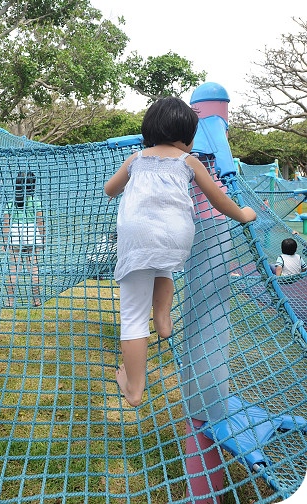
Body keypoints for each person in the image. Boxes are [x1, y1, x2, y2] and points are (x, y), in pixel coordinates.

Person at [104, 96, 257, 407]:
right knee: (164, 266)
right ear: (187, 136)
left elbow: (110, 189)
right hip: (176, 236)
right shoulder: (189, 161)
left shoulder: (135, 159)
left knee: (132, 316)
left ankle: (133, 389)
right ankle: (163, 321)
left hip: (137, 237)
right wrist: (243, 214)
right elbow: (218, 198)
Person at [3, 171, 44, 306]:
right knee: (33, 269)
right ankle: (36, 300)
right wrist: (42, 238)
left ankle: (10, 301)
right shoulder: (35, 201)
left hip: (15, 233)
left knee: (14, 269)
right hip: (31, 232)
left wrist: (5, 241)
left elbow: (6, 224)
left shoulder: (10, 203)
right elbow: (39, 221)